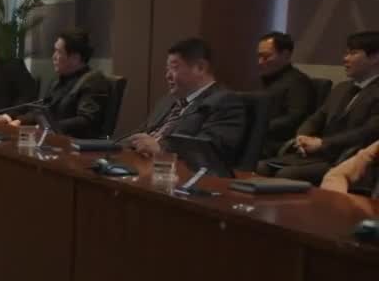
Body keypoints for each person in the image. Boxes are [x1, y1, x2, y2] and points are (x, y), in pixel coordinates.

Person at [257, 31, 379, 184]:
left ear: (375, 57)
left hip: (350, 160)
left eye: (353, 53)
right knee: (261, 166)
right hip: (320, 155)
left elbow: (366, 132)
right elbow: (316, 118)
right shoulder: (341, 88)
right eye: (346, 53)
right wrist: (302, 136)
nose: (345, 58)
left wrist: (323, 143)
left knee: (287, 174)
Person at [123, 37, 248, 165]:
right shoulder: (167, 102)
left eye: (174, 68)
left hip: (181, 173)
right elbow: (141, 133)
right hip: (142, 166)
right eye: (167, 69)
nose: (168, 76)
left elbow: (209, 151)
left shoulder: (225, 102)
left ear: (200, 68)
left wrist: (160, 147)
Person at [5, 29, 111, 139]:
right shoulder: (58, 81)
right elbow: (43, 110)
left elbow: (85, 120)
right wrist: (19, 121)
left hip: (75, 144)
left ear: (75, 58)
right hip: (52, 140)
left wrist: (47, 128)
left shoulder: (93, 81)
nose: (54, 57)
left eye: (59, 52)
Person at [256, 31, 316, 158]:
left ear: (285, 55)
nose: (260, 62)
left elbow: (295, 118)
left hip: (277, 143)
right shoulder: (267, 79)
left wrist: (259, 126)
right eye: (259, 56)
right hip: (261, 138)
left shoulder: (298, 82)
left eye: (266, 57)